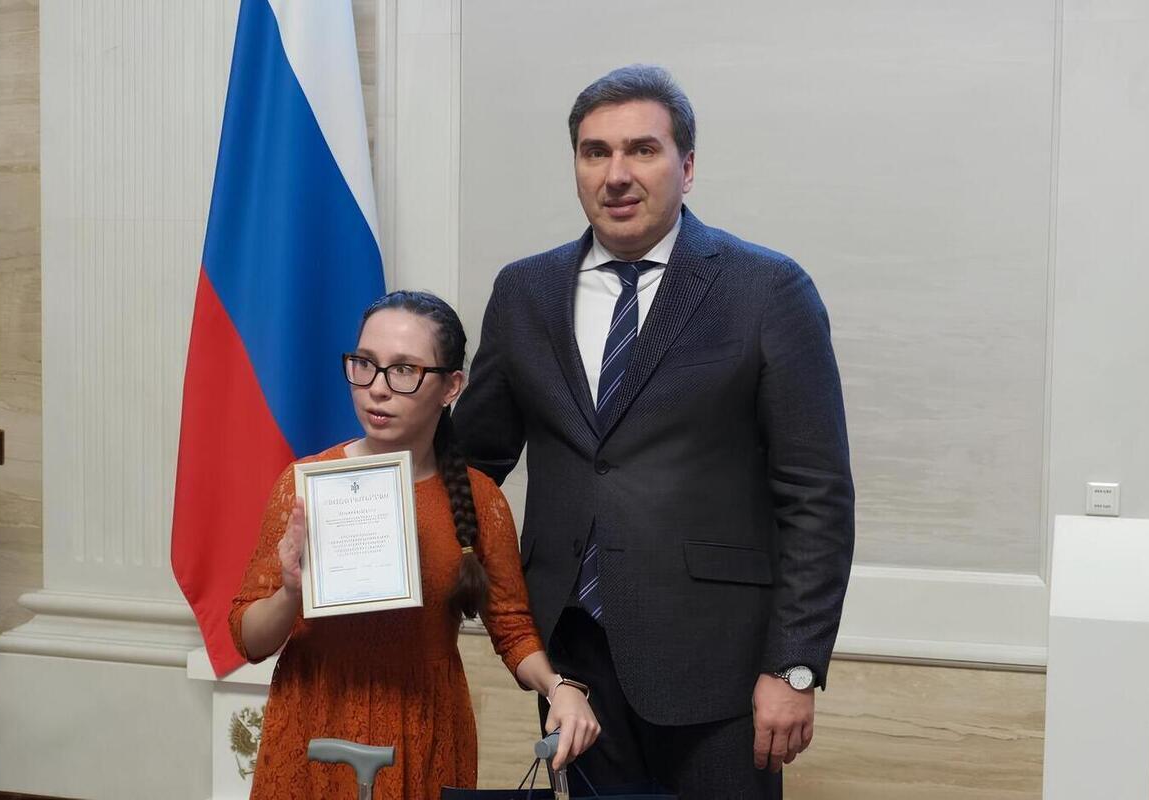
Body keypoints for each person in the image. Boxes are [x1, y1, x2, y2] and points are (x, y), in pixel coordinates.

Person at [452, 65, 855, 799]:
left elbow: (816, 497)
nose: (616, 174)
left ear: (687, 166)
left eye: (642, 149)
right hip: (574, 661)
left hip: (720, 668)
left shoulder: (766, 289)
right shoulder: (524, 292)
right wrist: (365, 507)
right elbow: (470, 465)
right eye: (595, 152)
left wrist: (794, 666)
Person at [229, 291, 599, 800]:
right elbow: (249, 640)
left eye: (404, 370)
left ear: (452, 387)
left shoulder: (479, 499)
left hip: (426, 726)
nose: (377, 389)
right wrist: (291, 592)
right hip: (316, 717)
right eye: (365, 365)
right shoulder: (305, 483)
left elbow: (512, 629)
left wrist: (559, 687)